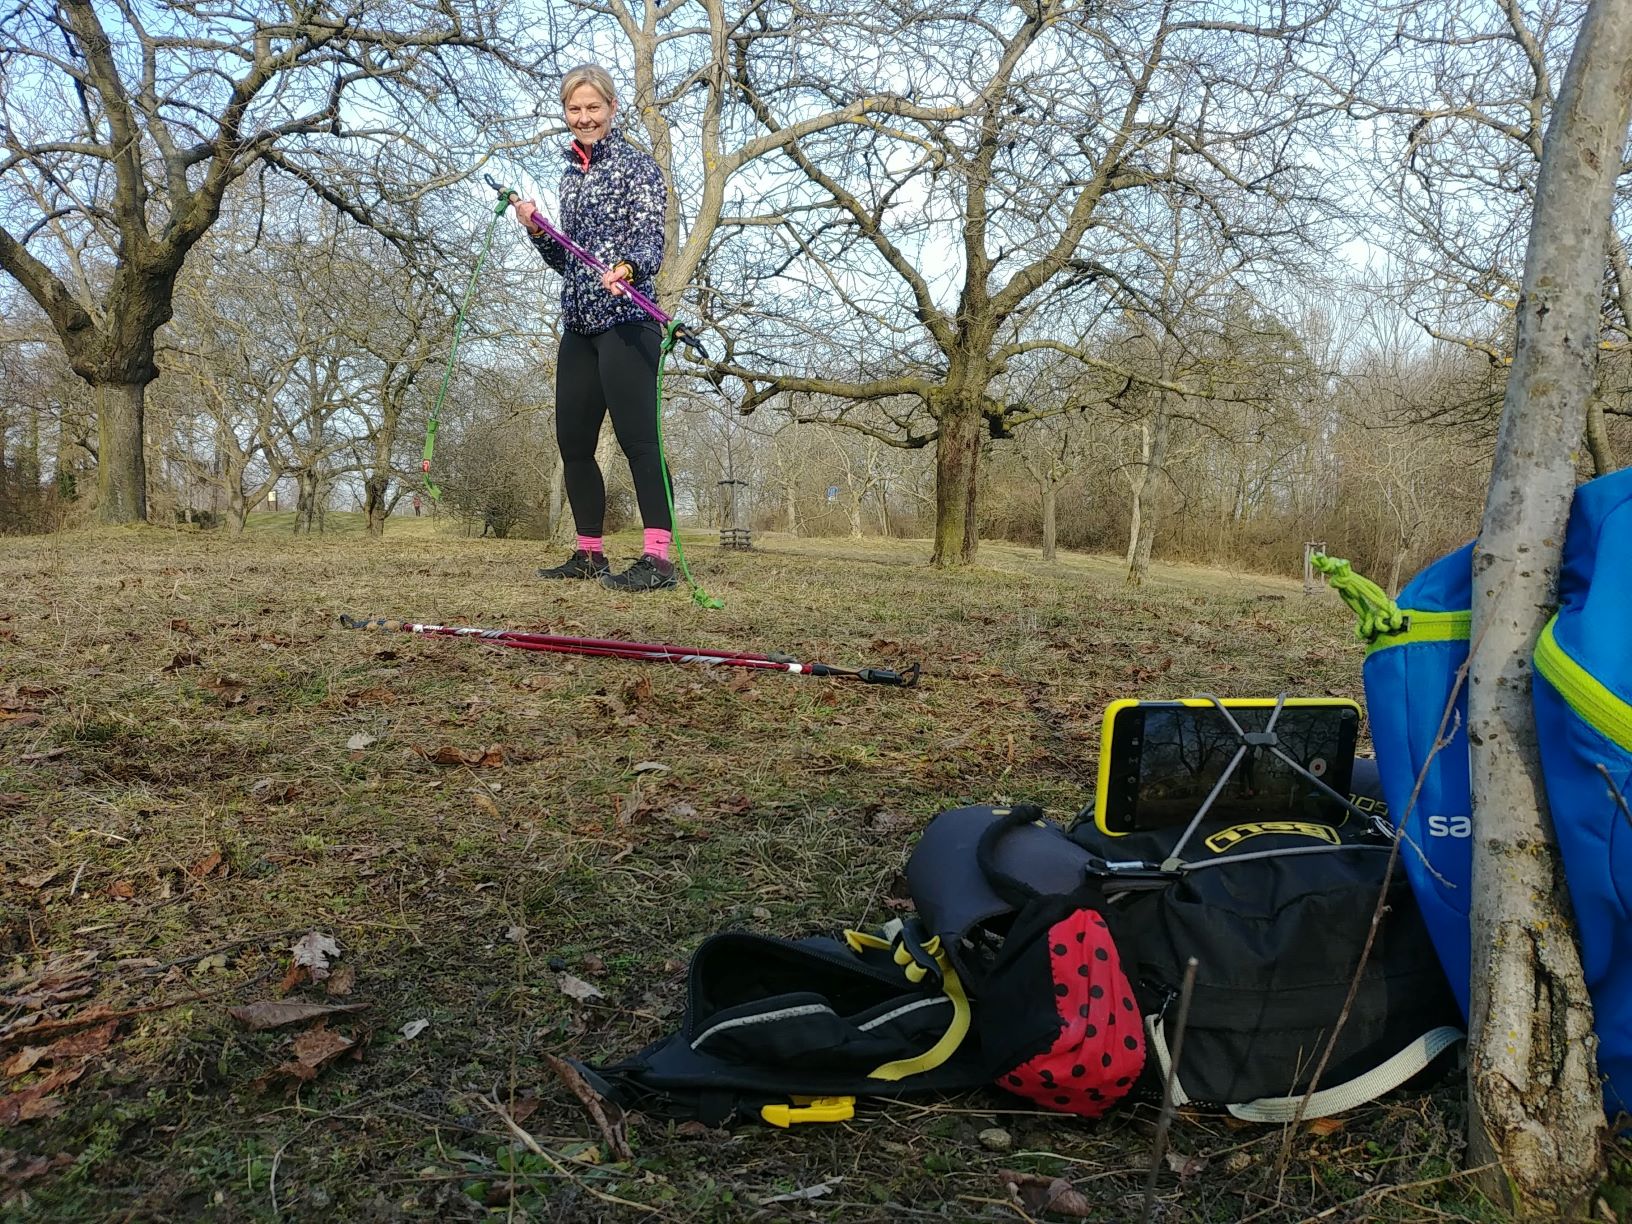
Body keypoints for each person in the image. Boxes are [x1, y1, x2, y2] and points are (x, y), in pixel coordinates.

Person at [512, 63, 678, 592]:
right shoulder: (569, 173)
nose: (583, 117)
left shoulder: (637, 166)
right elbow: (570, 262)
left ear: (611, 108)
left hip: (628, 320)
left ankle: (659, 560)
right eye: (574, 109)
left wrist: (628, 268)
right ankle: (589, 554)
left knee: (639, 441)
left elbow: (651, 238)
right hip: (580, 322)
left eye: (593, 107)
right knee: (574, 442)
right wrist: (539, 232)